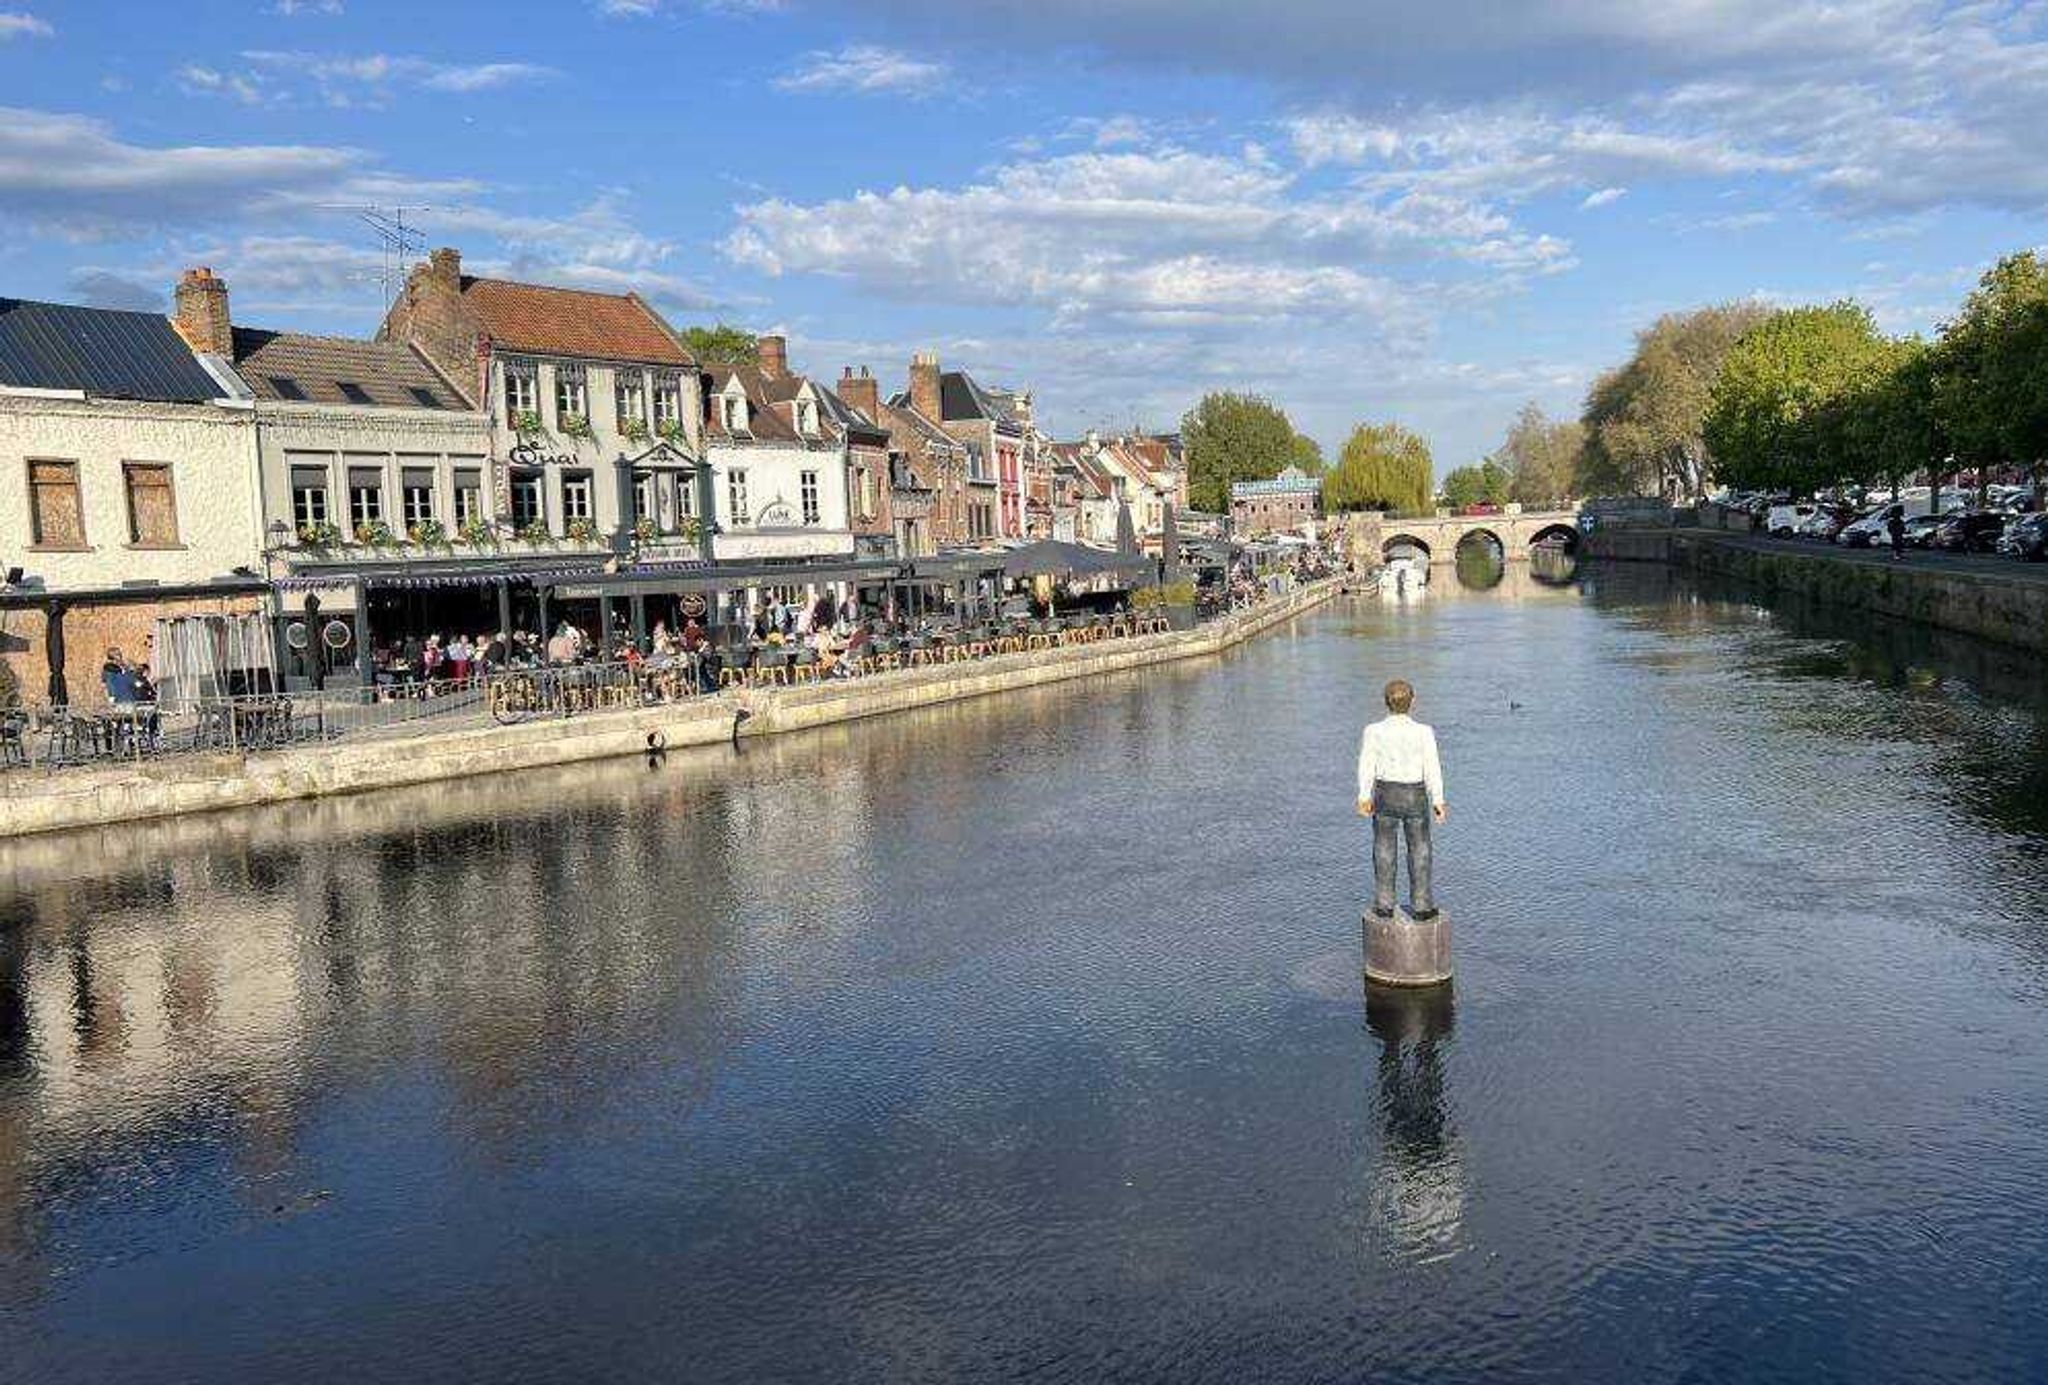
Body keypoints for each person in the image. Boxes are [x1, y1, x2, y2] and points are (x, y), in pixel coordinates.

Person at [1357, 678, 1447, 921]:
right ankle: (1422, 905)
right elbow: (1432, 767)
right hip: (1415, 795)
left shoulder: (1373, 731)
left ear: (1385, 703)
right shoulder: (1424, 732)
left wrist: (1364, 795)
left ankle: (1384, 903)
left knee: (1383, 846)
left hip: (1385, 793)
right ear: (1413, 702)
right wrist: (1438, 799)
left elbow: (1367, 765)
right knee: (1420, 848)